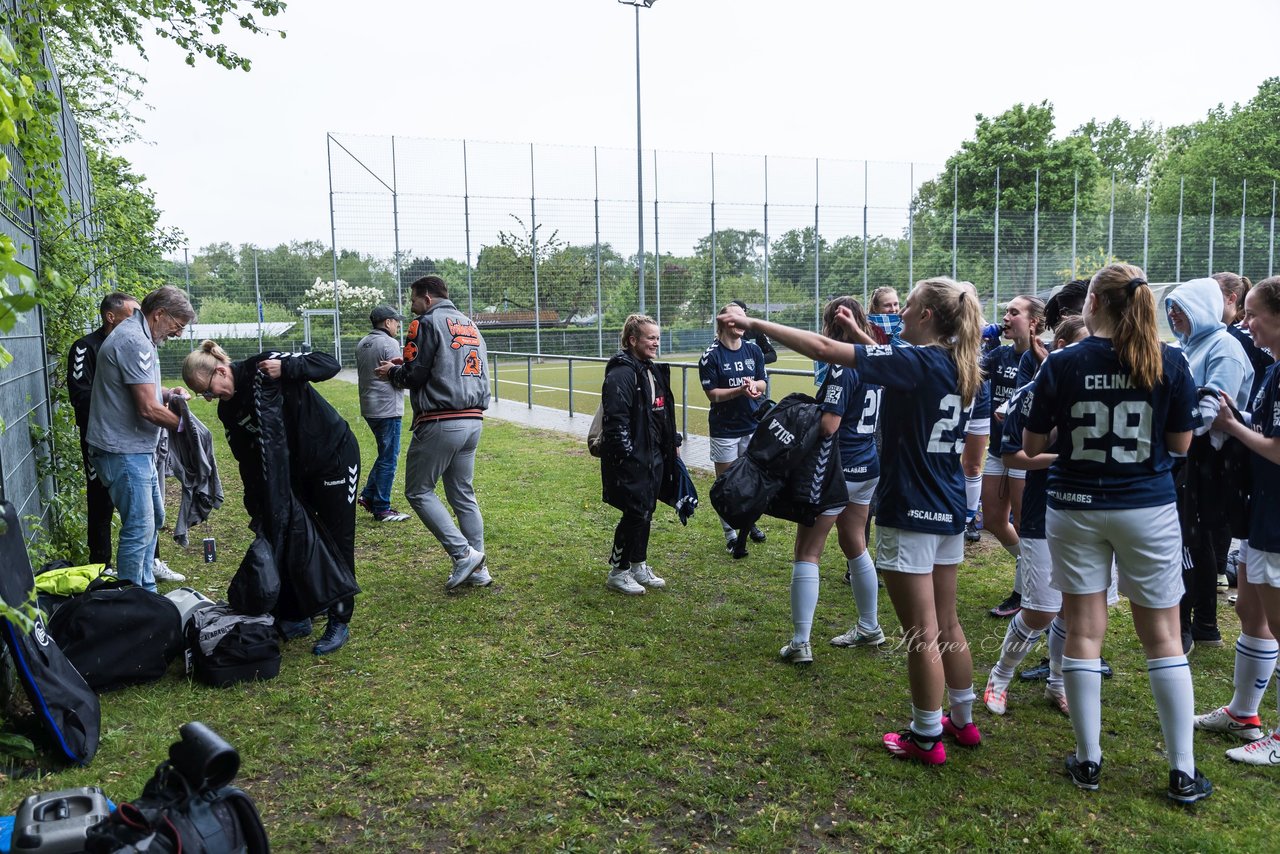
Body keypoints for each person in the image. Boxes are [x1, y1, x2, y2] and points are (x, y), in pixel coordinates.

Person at [721, 277, 984, 765]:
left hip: (910, 509)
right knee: (947, 622)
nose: (900, 313)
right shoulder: (962, 365)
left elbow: (824, 348)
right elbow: (894, 366)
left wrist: (755, 322)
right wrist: (861, 337)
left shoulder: (919, 361)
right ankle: (963, 722)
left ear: (927, 315)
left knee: (921, 632)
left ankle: (925, 736)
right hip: (948, 508)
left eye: (908, 306)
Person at [1024, 263, 1210, 803]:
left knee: (1083, 630)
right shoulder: (1169, 360)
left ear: (1097, 304)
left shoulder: (1062, 362)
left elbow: (1032, 446)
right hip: (1147, 508)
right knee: (1164, 638)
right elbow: (1180, 446)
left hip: (1075, 505)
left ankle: (1088, 761)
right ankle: (1181, 770)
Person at [183, 341, 359, 655]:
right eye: (203, 395)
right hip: (295, 474)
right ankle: (299, 614)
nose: (210, 399)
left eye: (208, 390)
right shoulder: (229, 409)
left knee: (337, 536)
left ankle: (339, 618)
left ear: (221, 371)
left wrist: (289, 368)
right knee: (294, 536)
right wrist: (257, 504)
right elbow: (247, 459)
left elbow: (328, 363)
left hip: (333, 456)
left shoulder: (263, 366)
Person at [984, 315, 1088, 719]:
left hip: (1089, 513)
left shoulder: (1100, 389)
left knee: (1074, 609)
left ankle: (1058, 682)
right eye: (1081, 343)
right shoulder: (1031, 393)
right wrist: (1067, 460)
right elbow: (1014, 455)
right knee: (1042, 608)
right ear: (1056, 345)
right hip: (1045, 512)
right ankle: (1001, 674)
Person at [1198, 275, 1280, 766]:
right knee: (1251, 612)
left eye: (1254, 314)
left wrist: (1230, 426)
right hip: (1261, 513)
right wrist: (1242, 416)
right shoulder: (1273, 368)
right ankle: (1243, 713)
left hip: (1277, 517)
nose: (1246, 324)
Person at [377, 275, 491, 590]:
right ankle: (479, 568)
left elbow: (414, 376)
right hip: (473, 420)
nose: (411, 308)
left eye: (413, 300)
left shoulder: (424, 323)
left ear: (426, 298)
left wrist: (392, 372)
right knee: (463, 495)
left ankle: (463, 554)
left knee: (418, 490)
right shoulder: (470, 323)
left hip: (441, 419)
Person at [85, 286, 194, 592]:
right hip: (122, 451)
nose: (177, 333)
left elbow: (137, 388)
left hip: (135, 450)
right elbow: (147, 408)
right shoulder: (135, 341)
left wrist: (168, 393)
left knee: (154, 517)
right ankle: (136, 602)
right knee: (139, 526)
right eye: (177, 325)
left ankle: (144, 587)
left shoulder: (138, 336)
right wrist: (188, 429)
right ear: (159, 314)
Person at [1165, 278, 1254, 653]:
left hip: (1208, 460)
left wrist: (1173, 423)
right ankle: (1198, 625)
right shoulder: (1188, 346)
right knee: (1190, 541)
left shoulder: (1225, 348)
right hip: (1188, 455)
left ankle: (1197, 625)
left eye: (1180, 307)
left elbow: (1215, 411)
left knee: (1193, 541)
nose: (1173, 315)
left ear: (1201, 308)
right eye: (1170, 308)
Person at [806, 298, 885, 653]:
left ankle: (799, 641)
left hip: (841, 465)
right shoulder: (880, 358)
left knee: (808, 550)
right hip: (869, 463)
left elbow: (829, 425)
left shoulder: (843, 364)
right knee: (855, 542)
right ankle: (870, 626)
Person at [598, 314, 680, 595]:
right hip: (634, 459)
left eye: (657, 337)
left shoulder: (651, 369)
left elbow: (661, 413)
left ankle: (638, 565)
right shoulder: (622, 372)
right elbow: (616, 419)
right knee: (635, 513)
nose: (656, 342)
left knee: (646, 510)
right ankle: (618, 572)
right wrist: (627, 456)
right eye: (650, 338)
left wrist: (673, 442)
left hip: (654, 456)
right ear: (633, 340)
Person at [984, 294, 1046, 619]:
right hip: (998, 449)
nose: (1006, 317)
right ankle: (1033, 569)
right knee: (994, 519)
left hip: (1025, 451)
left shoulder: (1045, 357)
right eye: (1005, 311)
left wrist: (1010, 410)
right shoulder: (998, 355)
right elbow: (968, 375)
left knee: (1024, 522)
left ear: (1034, 322)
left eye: (1014, 312)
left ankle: (1024, 592)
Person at [68, 293, 139, 567]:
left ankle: (151, 558)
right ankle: (101, 565)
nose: (138, 321)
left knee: (141, 494)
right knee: (100, 497)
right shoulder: (85, 347)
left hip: (132, 437)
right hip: (97, 438)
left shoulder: (134, 345)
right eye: (132, 314)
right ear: (111, 317)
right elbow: (81, 396)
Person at [700, 304, 768, 556]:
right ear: (727, 322)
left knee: (751, 480)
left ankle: (748, 525)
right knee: (727, 484)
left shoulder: (753, 350)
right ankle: (730, 534)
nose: (745, 322)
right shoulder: (711, 356)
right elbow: (713, 394)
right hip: (724, 429)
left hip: (752, 425)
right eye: (739, 317)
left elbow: (763, 381)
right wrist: (739, 390)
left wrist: (754, 386)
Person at [356, 305, 410, 522]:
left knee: (385, 454)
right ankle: (382, 507)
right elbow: (399, 376)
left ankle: (368, 496)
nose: (398, 325)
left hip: (370, 407)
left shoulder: (363, 343)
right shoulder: (390, 343)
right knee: (389, 457)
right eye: (396, 321)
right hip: (387, 408)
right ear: (387, 322)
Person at [730, 299, 776, 365]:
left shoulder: (755, 330)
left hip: (754, 373)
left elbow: (772, 355)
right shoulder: (724, 333)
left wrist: (753, 360)